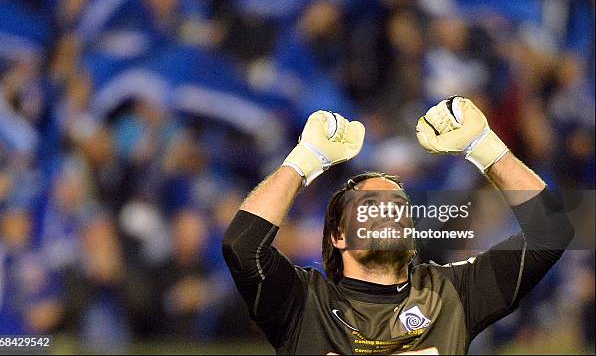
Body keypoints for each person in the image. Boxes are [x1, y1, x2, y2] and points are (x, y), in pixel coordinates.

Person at [222, 96, 575, 355]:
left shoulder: (452, 294)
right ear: (338, 235)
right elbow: (242, 245)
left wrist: (485, 147)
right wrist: (303, 162)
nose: (388, 213)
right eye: (369, 207)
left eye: (398, 206)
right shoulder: (304, 302)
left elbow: (552, 231)